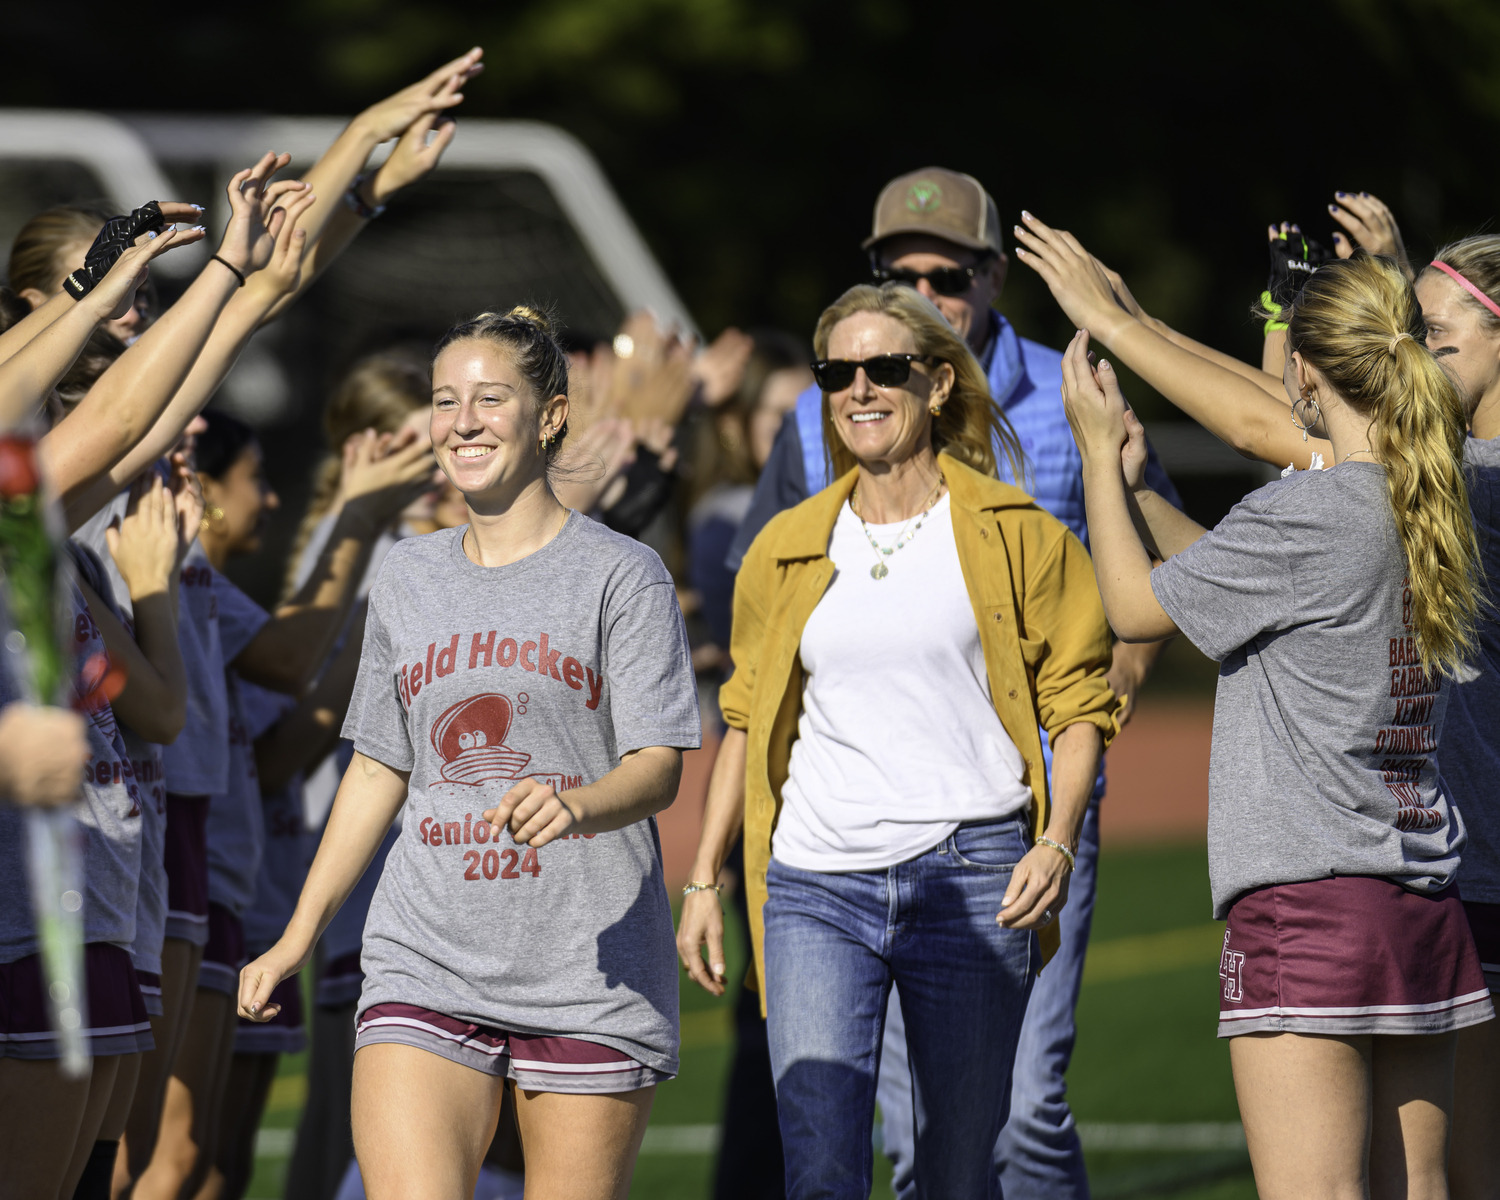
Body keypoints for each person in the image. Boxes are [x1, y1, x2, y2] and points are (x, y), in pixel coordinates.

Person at [1013, 209, 1500, 1200]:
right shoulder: (1436, 498)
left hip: (1307, 901)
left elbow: (1134, 610)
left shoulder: (1309, 508)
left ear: (1311, 374)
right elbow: (1244, 591)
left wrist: (1100, 462)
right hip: (1421, 898)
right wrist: (1148, 489)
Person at [720, 167, 1180, 1199]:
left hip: (1019, 822)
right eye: (900, 271)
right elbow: (763, 627)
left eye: (951, 272)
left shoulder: (1077, 392)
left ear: (996, 275)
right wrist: (711, 870)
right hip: (840, 846)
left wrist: (1098, 710)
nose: (928, 291)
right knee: (887, 1144)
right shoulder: (819, 414)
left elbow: (1161, 573)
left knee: (1018, 1119)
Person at [239, 306, 701, 1200]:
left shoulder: (623, 573)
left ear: (551, 416)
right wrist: (297, 936)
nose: (462, 422)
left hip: (586, 966)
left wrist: (576, 804)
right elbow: (378, 768)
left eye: (491, 399)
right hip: (426, 957)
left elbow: (659, 767)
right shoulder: (409, 575)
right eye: (447, 401)